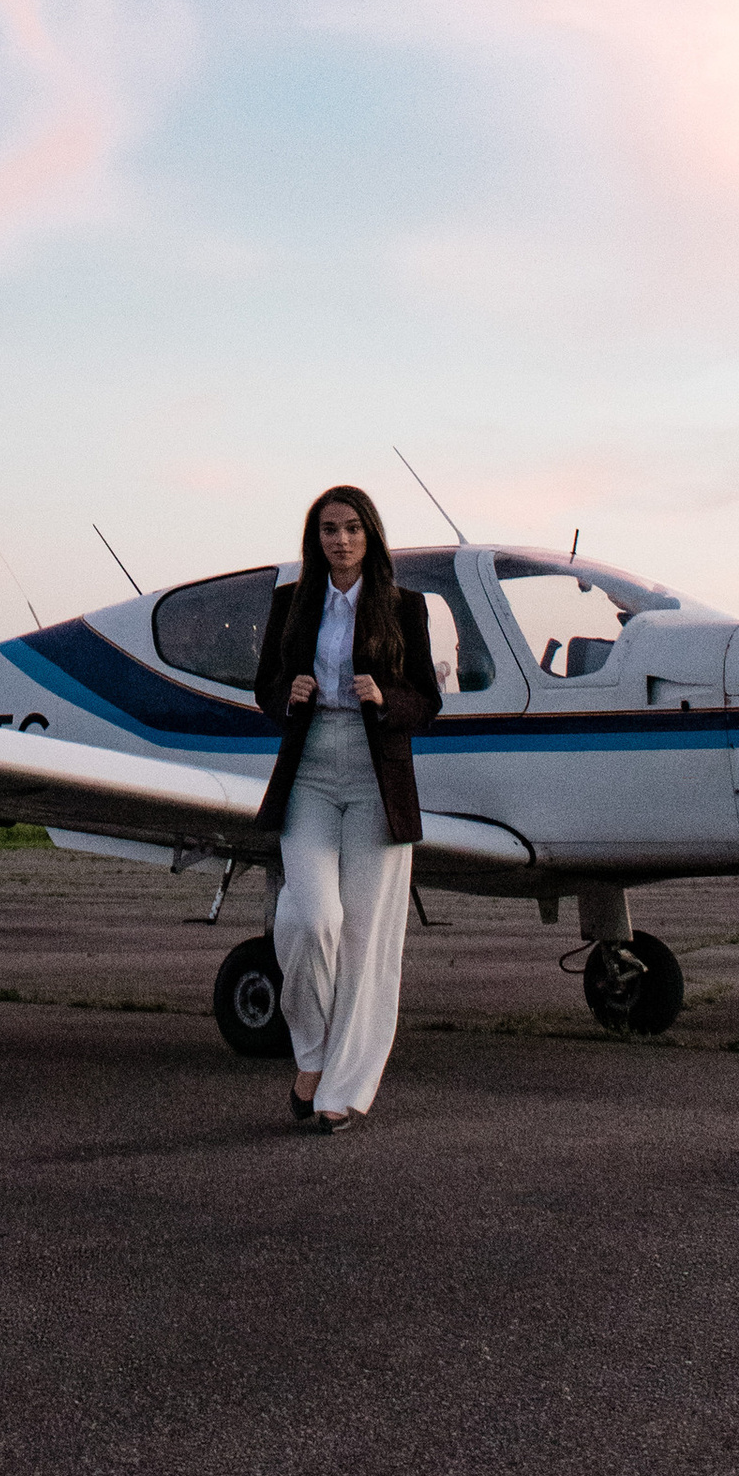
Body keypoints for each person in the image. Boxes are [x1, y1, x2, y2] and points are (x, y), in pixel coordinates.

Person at [252, 484, 440, 1130]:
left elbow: (428, 702)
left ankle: (342, 1090)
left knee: (364, 938)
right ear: (317, 539)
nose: (341, 540)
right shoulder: (291, 606)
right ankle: (312, 1050)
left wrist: (386, 697)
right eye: (330, 530)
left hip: (375, 773)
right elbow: (264, 692)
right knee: (309, 918)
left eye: (353, 528)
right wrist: (288, 692)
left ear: (371, 536)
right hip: (310, 770)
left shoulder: (402, 606)